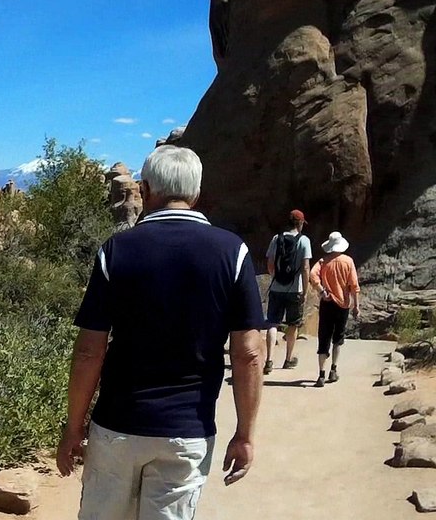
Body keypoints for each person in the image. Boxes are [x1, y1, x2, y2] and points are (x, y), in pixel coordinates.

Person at [56, 146, 266, 520]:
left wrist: (74, 427)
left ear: (147, 189)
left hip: (118, 425)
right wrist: (245, 433)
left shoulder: (117, 250)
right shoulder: (232, 252)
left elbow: (90, 350)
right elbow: (249, 353)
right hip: (187, 431)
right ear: (196, 194)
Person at [309, 232, 360, 387]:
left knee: (324, 337)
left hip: (327, 302)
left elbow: (312, 274)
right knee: (338, 338)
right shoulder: (348, 261)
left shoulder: (324, 261)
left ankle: (321, 374)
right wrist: (356, 306)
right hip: (342, 304)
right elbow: (354, 286)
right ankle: (333, 369)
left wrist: (321, 290)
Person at [264, 210, 311, 374]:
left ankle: (269, 360)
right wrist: (305, 291)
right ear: (300, 224)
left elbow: (270, 263)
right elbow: (305, 268)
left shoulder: (277, 239)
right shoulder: (304, 241)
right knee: (293, 324)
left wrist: (276, 276)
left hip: (276, 287)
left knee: (272, 323)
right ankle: (288, 359)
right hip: (294, 289)